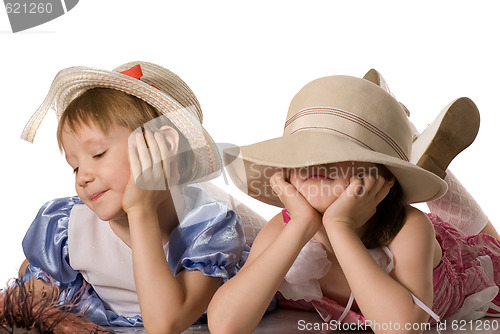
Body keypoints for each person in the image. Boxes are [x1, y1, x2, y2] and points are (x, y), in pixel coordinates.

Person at [208, 72, 500, 334]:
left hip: (460, 262)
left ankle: (404, 137)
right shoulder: (282, 229)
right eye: (298, 154)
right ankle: (395, 131)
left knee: (488, 240)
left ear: (381, 175)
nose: (313, 161)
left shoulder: (410, 228)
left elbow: (399, 329)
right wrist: (300, 224)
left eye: (334, 153)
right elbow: (225, 325)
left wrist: (340, 227)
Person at [6, 61, 255, 333]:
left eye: (99, 154)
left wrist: (141, 211)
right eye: (75, 166)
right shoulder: (71, 226)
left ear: (163, 147)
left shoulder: (208, 229)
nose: (82, 177)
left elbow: (164, 324)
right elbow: (33, 290)